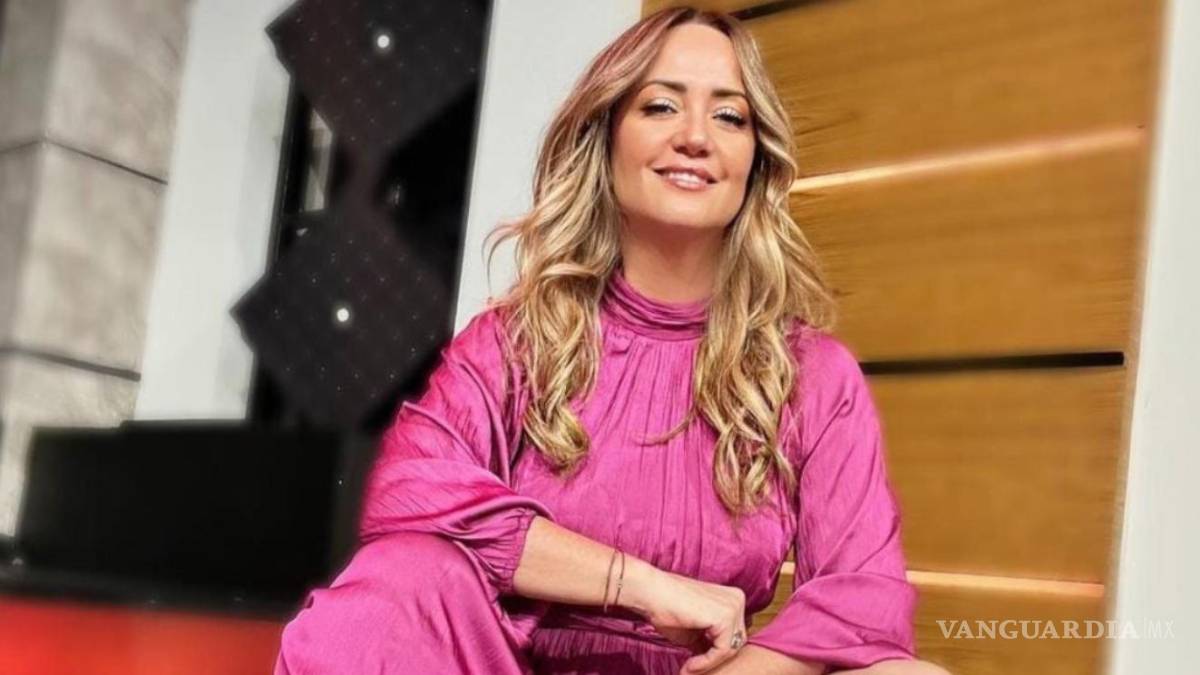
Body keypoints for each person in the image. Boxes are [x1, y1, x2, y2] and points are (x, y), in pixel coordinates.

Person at [274, 7, 951, 675]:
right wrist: (642, 584)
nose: (695, 137)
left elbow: (863, 599)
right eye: (661, 106)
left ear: (755, 160)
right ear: (606, 139)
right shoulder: (518, 341)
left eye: (729, 116)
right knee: (402, 577)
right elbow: (409, 489)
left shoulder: (812, 374)